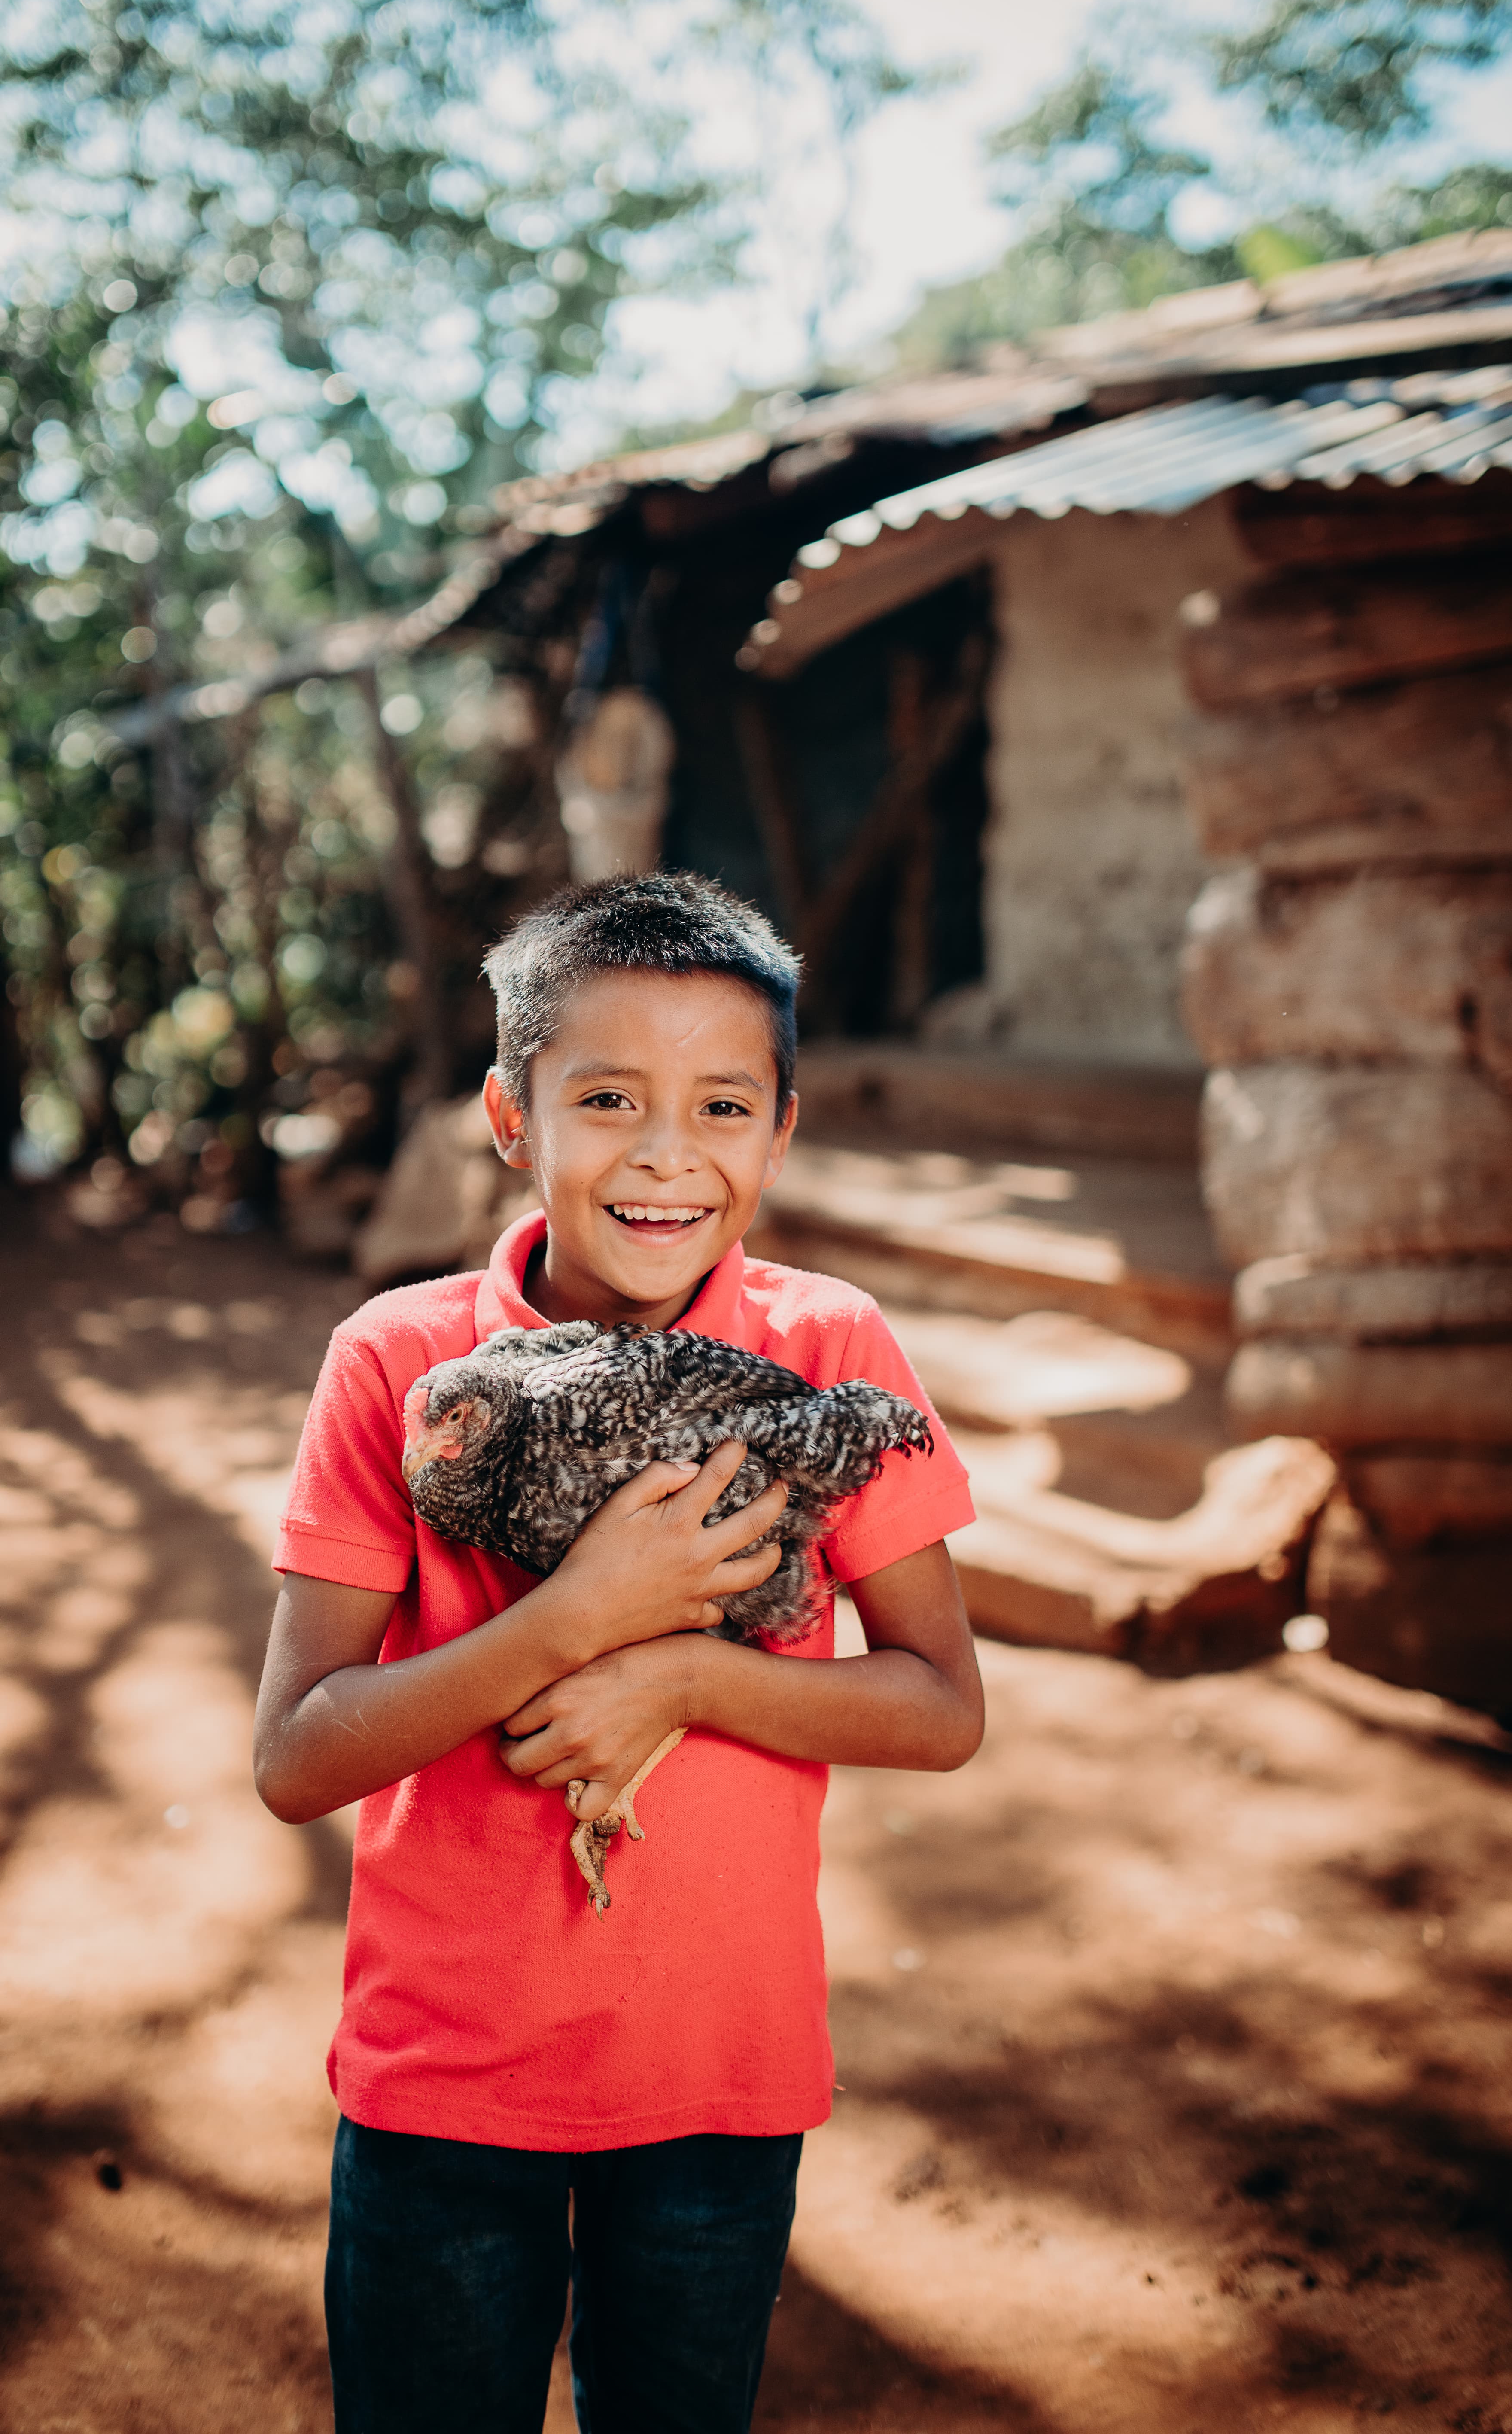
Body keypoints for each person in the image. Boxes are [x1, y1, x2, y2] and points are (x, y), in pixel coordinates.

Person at [253, 871, 984, 2434]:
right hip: (444, 2083)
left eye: (723, 1104)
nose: (668, 1155)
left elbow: (940, 1707)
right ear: (511, 1119)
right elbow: (295, 1758)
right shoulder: (402, 1364)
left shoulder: (829, 1350)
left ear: (781, 1131)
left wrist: (685, 1675)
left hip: (718, 2076)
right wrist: (576, 1617)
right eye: (607, 1099)